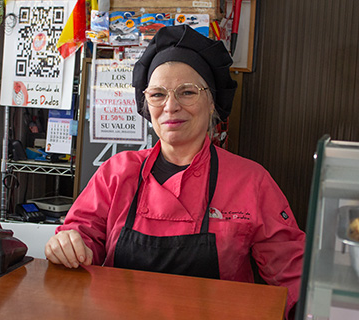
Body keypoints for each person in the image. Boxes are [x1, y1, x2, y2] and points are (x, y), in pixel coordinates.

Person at [45, 24, 305, 319]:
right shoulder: (117, 172)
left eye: (187, 92)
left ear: (212, 103)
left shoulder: (251, 181)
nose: (170, 106)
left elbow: (292, 273)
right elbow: (83, 234)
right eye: (157, 94)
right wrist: (71, 244)